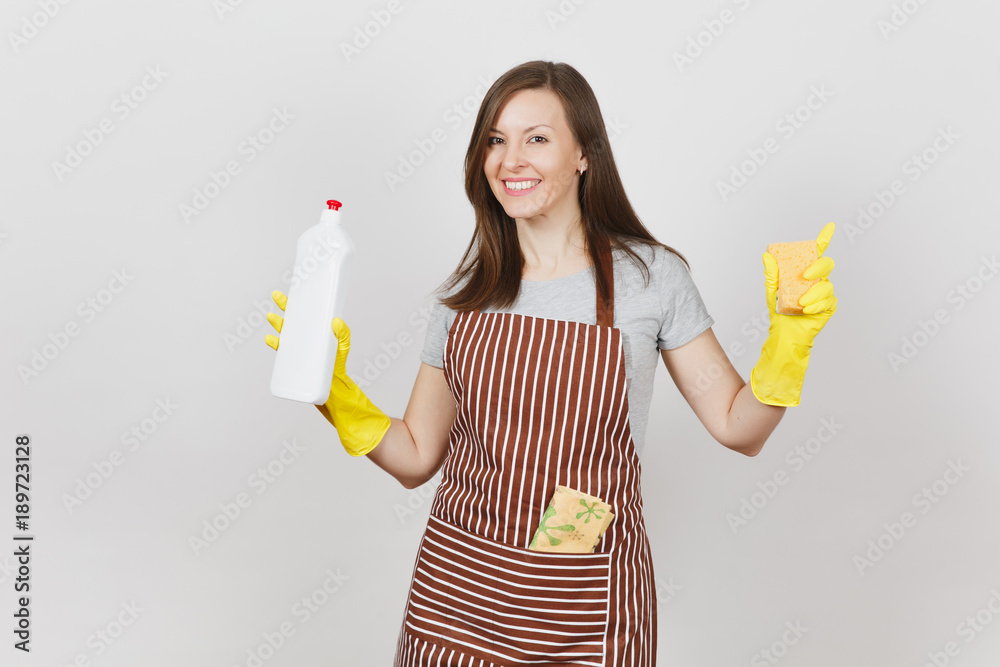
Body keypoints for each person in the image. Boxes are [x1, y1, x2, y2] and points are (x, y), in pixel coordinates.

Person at [265, 60, 837, 667]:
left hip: (584, 599)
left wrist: (789, 343)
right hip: (457, 593)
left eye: (536, 138)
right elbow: (415, 459)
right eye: (495, 139)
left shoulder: (650, 278)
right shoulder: (465, 292)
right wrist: (336, 395)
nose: (511, 159)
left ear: (583, 153)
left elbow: (738, 429)